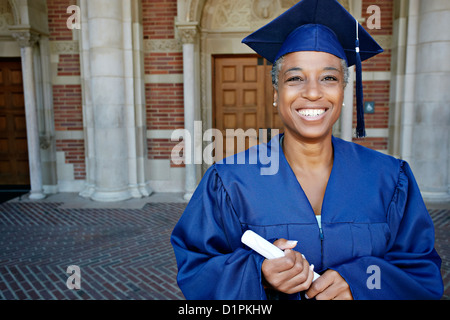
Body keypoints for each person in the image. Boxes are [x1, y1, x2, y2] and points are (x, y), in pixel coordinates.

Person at [170, 0, 443, 300]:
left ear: (342, 91)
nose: (312, 92)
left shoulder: (390, 179)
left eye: (329, 78)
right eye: (295, 78)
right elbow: (196, 270)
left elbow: (421, 273)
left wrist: (362, 282)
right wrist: (257, 273)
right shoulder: (230, 181)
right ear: (276, 94)